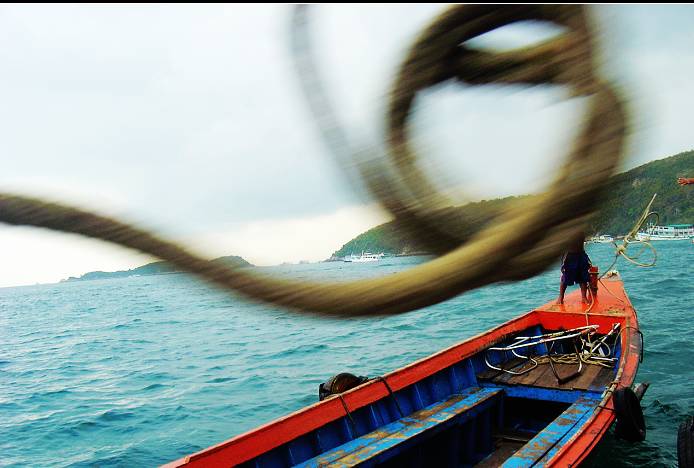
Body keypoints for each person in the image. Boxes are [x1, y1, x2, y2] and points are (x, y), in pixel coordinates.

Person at [556, 234, 592, 305]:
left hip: (581, 254)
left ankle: (584, 297)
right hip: (569, 255)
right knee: (566, 276)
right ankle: (561, 296)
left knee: (583, 276)